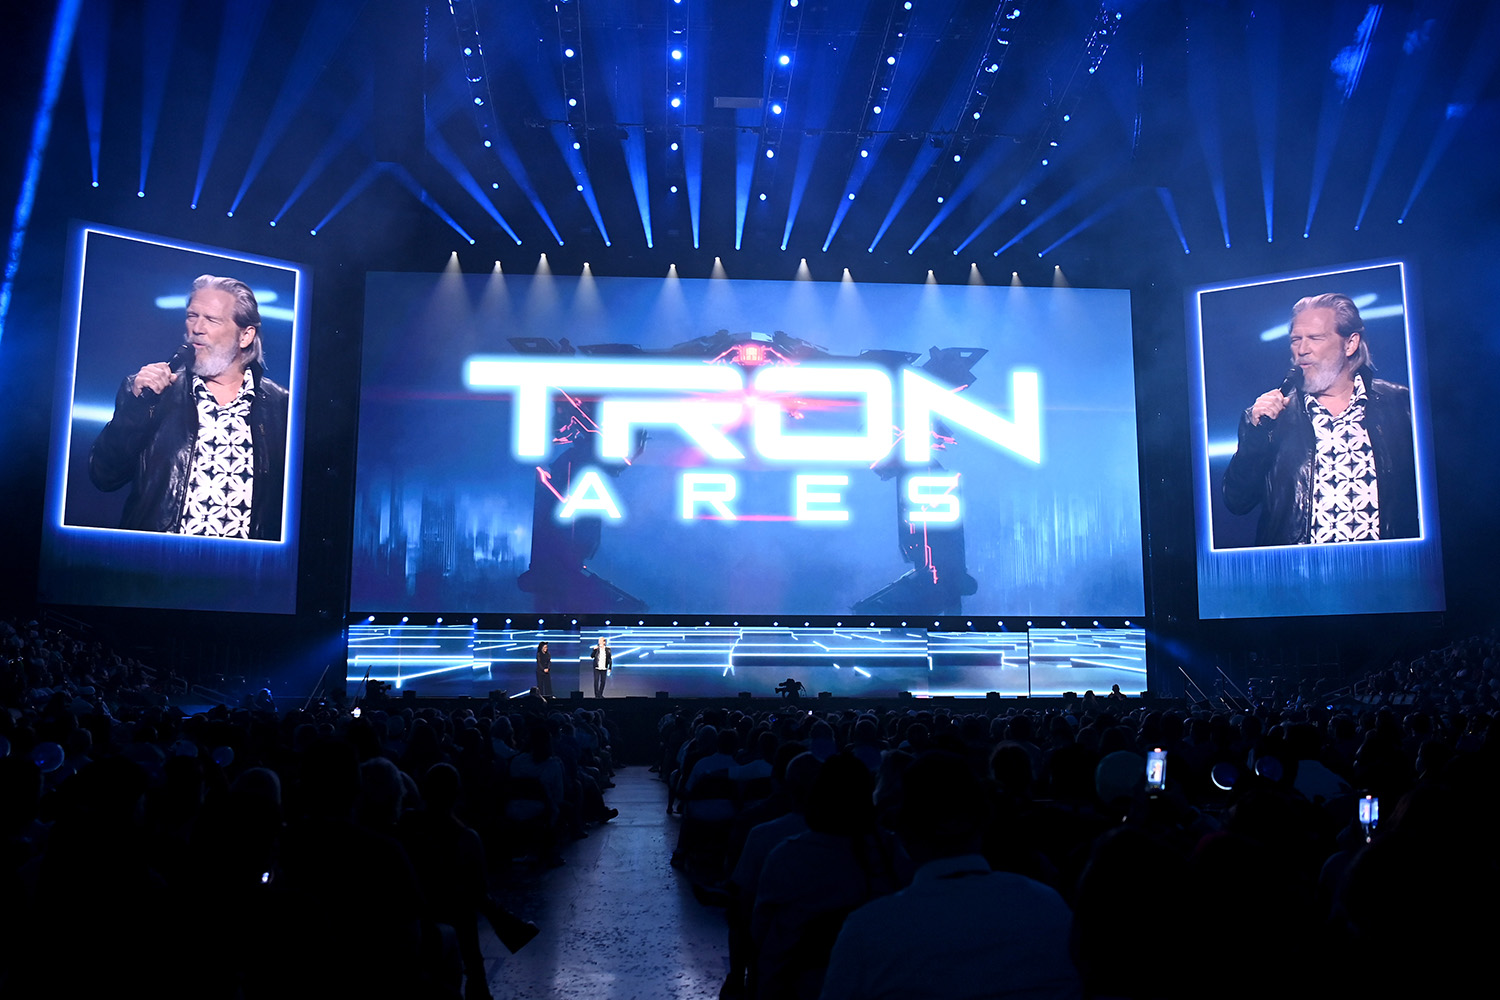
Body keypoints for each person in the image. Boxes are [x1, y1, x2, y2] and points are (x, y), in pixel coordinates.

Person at [89, 274, 289, 539]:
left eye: (212, 319)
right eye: (192, 316)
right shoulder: (151, 393)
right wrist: (137, 408)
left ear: (245, 335)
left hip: (245, 572)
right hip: (157, 565)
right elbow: (104, 476)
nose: (197, 328)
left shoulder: (281, 407)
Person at [1222, 292, 1417, 546]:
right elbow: (1237, 501)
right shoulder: (1268, 419)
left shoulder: (1401, 405)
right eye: (1295, 340)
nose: (1302, 350)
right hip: (1300, 577)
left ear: (1350, 344)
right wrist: (1256, 436)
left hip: (1387, 574)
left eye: (1315, 338)